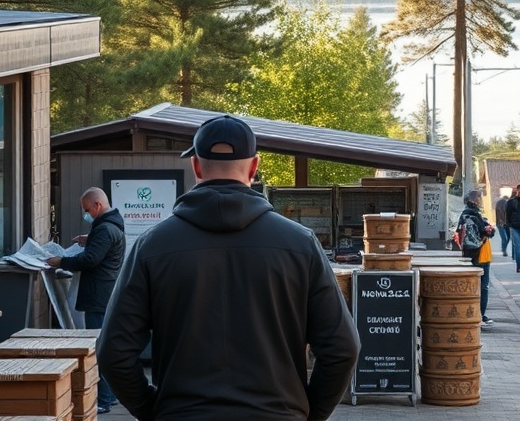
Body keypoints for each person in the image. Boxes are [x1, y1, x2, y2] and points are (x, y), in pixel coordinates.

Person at [97, 114, 359, 421]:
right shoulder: (301, 244)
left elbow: (113, 352)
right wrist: (307, 414)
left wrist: (153, 410)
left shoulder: (151, 246)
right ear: (254, 167)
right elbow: (342, 349)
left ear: (196, 166)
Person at [48, 187, 126, 414]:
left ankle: (104, 398)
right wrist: (90, 239)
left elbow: (90, 260)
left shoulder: (105, 229)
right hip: (104, 294)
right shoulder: (111, 225)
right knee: (104, 345)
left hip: (98, 295)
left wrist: (61, 261)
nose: (86, 214)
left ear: (97, 205)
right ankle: (110, 395)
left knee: (98, 348)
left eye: (87, 210)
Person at [457, 189, 496, 326]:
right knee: (483, 287)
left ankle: (475, 314)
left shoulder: (465, 215)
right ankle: (480, 315)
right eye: (479, 198)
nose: (480, 201)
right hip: (480, 254)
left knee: (475, 286)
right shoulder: (473, 215)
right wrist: (489, 230)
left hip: (472, 254)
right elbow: (483, 232)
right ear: (475, 200)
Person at [494, 188, 512, 257]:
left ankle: (504, 249)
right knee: (506, 237)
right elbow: (501, 213)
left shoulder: (500, 203)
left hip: (502, 223)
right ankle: (504, 250)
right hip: (502, 223)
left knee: (506, 237)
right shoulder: (504, 203)